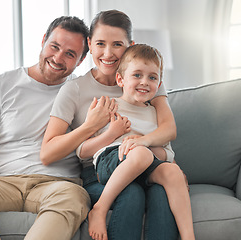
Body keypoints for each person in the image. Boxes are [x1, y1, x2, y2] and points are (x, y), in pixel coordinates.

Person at [0, 16, 93, 240]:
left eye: (70, 54)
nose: (58, 57)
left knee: (73, 198)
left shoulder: (82, 93)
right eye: (54, 46)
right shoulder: (1, 84)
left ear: (80, 61)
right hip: (0, 182)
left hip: (57, 185)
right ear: (44, 40)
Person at [41, 10, 179, 240]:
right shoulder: (75, 90)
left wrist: (148, 150)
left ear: (130, 45)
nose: (108, 53)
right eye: (100, 44)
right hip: (99, 172)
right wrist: (89, 126)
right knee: (131, 193)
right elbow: (48, 152)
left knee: (162, 192)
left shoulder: (144, 80)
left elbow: (166, 129)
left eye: (117, 44)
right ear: (89, 45)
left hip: (146, 165)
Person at [81, 44, 195, 240]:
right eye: (137, 75)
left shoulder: (155, 114)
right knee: (141, 154)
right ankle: (100, 209)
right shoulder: (108, 106)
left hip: (145, 166)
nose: (144, 82)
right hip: (110, 163)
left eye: (152, 77)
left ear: (159, 85)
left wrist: (143, 143)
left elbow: (167, 154)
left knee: (172, 170)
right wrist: (115, 136)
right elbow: (82, 150)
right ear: (120, 79)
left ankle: (189, 236)